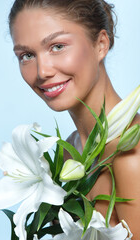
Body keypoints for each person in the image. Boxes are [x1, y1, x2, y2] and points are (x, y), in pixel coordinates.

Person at [8, 0, 140, 239]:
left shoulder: (132, 154)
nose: (42, 72)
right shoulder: (68, 153)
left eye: (57, 46)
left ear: (101, 44)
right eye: (26, 55)